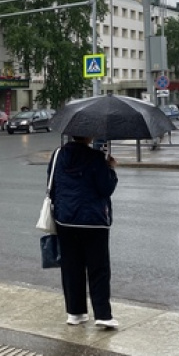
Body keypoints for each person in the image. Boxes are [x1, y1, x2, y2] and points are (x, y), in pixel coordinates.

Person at [47, 135, 119, 329]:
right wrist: (110, 168)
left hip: (65, 220)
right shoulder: (96, 157)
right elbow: (106, 188)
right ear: (88, 136)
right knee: (99, 268)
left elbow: (52, 186)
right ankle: (103, 314)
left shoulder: (58, 155)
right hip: (93, 221)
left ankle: (75, 313)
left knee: (71, 267)